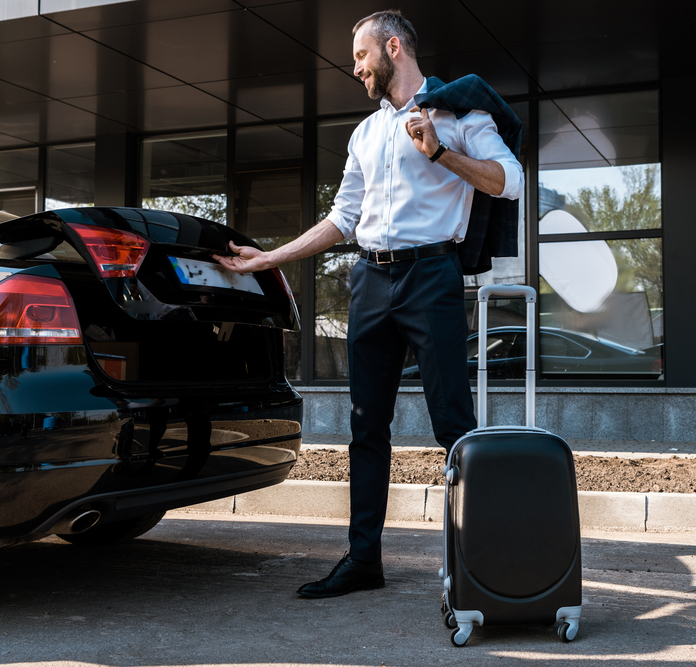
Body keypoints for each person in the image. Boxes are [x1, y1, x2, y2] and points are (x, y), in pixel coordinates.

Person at [214, 9, 523, 598]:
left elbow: (510, 181)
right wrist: (268, 259)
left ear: (393, 47)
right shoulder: (365, 133)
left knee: (454, 423)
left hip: (433, 273)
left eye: (360, 55)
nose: (354, 67)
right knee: (366, 427)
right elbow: (342, 219)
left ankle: (478, 566)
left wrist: (441, 155)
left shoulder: (458, 113)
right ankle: (363, 560)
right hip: (371, 282)